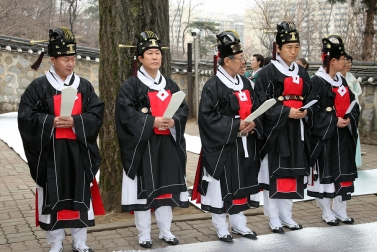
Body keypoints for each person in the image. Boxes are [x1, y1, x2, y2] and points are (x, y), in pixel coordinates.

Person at [18, 27, 104, 252]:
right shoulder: (39, 87)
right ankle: (55, 243)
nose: (70, 63)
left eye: (73, 59)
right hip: (51, 152)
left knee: (80, 196)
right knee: (52, 195)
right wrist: (51, 122)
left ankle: (80, 242)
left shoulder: (83, 86)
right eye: (65, 59)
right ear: (53, 59)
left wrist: (76, 121)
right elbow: (26, 117)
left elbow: (96, 113)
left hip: (78, 150)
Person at [115, 31, 189, 249]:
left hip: (167, 144)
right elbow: (125, 115)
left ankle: (166, 230)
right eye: (150, 53)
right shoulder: (131, 86)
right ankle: (144, 234)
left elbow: (183, 109)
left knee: (165, 189)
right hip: (143, 145)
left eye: (158, 53)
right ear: (140, 58)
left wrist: (174, 121)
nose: (155, 57)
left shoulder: (170, 84)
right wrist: (151, 122)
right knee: (143, 190)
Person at [192, 30, 261, 243]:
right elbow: (206, 117)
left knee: (242, 184)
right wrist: (235, 125)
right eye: (240, 59)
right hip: (223, 145)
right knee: (221, 186)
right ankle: (221, 226)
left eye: (243, 58)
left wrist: (254, 122)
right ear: (227, 61)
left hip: (245, 143)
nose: (244, 63)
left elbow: (256, 107)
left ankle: (240, 224)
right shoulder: (213, 85)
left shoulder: (246, 83)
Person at [254, 21, 311, 233]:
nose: (293, 51)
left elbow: (312, 96)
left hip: (297, 130)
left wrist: (306, 110)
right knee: (274, 174)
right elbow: (261, 102)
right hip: (276, 132)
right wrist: (287, 111)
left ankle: (287, 215)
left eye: (296, 47)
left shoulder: (303, 73)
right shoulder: (267, 73)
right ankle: (273, 217)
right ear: (278, 48)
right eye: (289, 47)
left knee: (293, 173)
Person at [307, 36, 359, 226]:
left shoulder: (342, 82)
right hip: (326, 138)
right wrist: (333, 120)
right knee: (325, 176)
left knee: (343, 174)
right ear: (333, 61)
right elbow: (312, 111)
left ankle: (340, 210)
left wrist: (349, 118)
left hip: (343, 137)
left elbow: (354, 105)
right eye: (342, 58)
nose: (346, 62)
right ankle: (326, 211)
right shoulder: (316, 82)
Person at [340, 54, 362, 168]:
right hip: (341, 110)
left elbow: (358, 92)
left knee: (354, 133)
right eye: (345, 61)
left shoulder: (351, 77)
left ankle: (355, 161)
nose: (347, 64)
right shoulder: (336, 77)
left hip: (352, 110)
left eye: (349, 62)